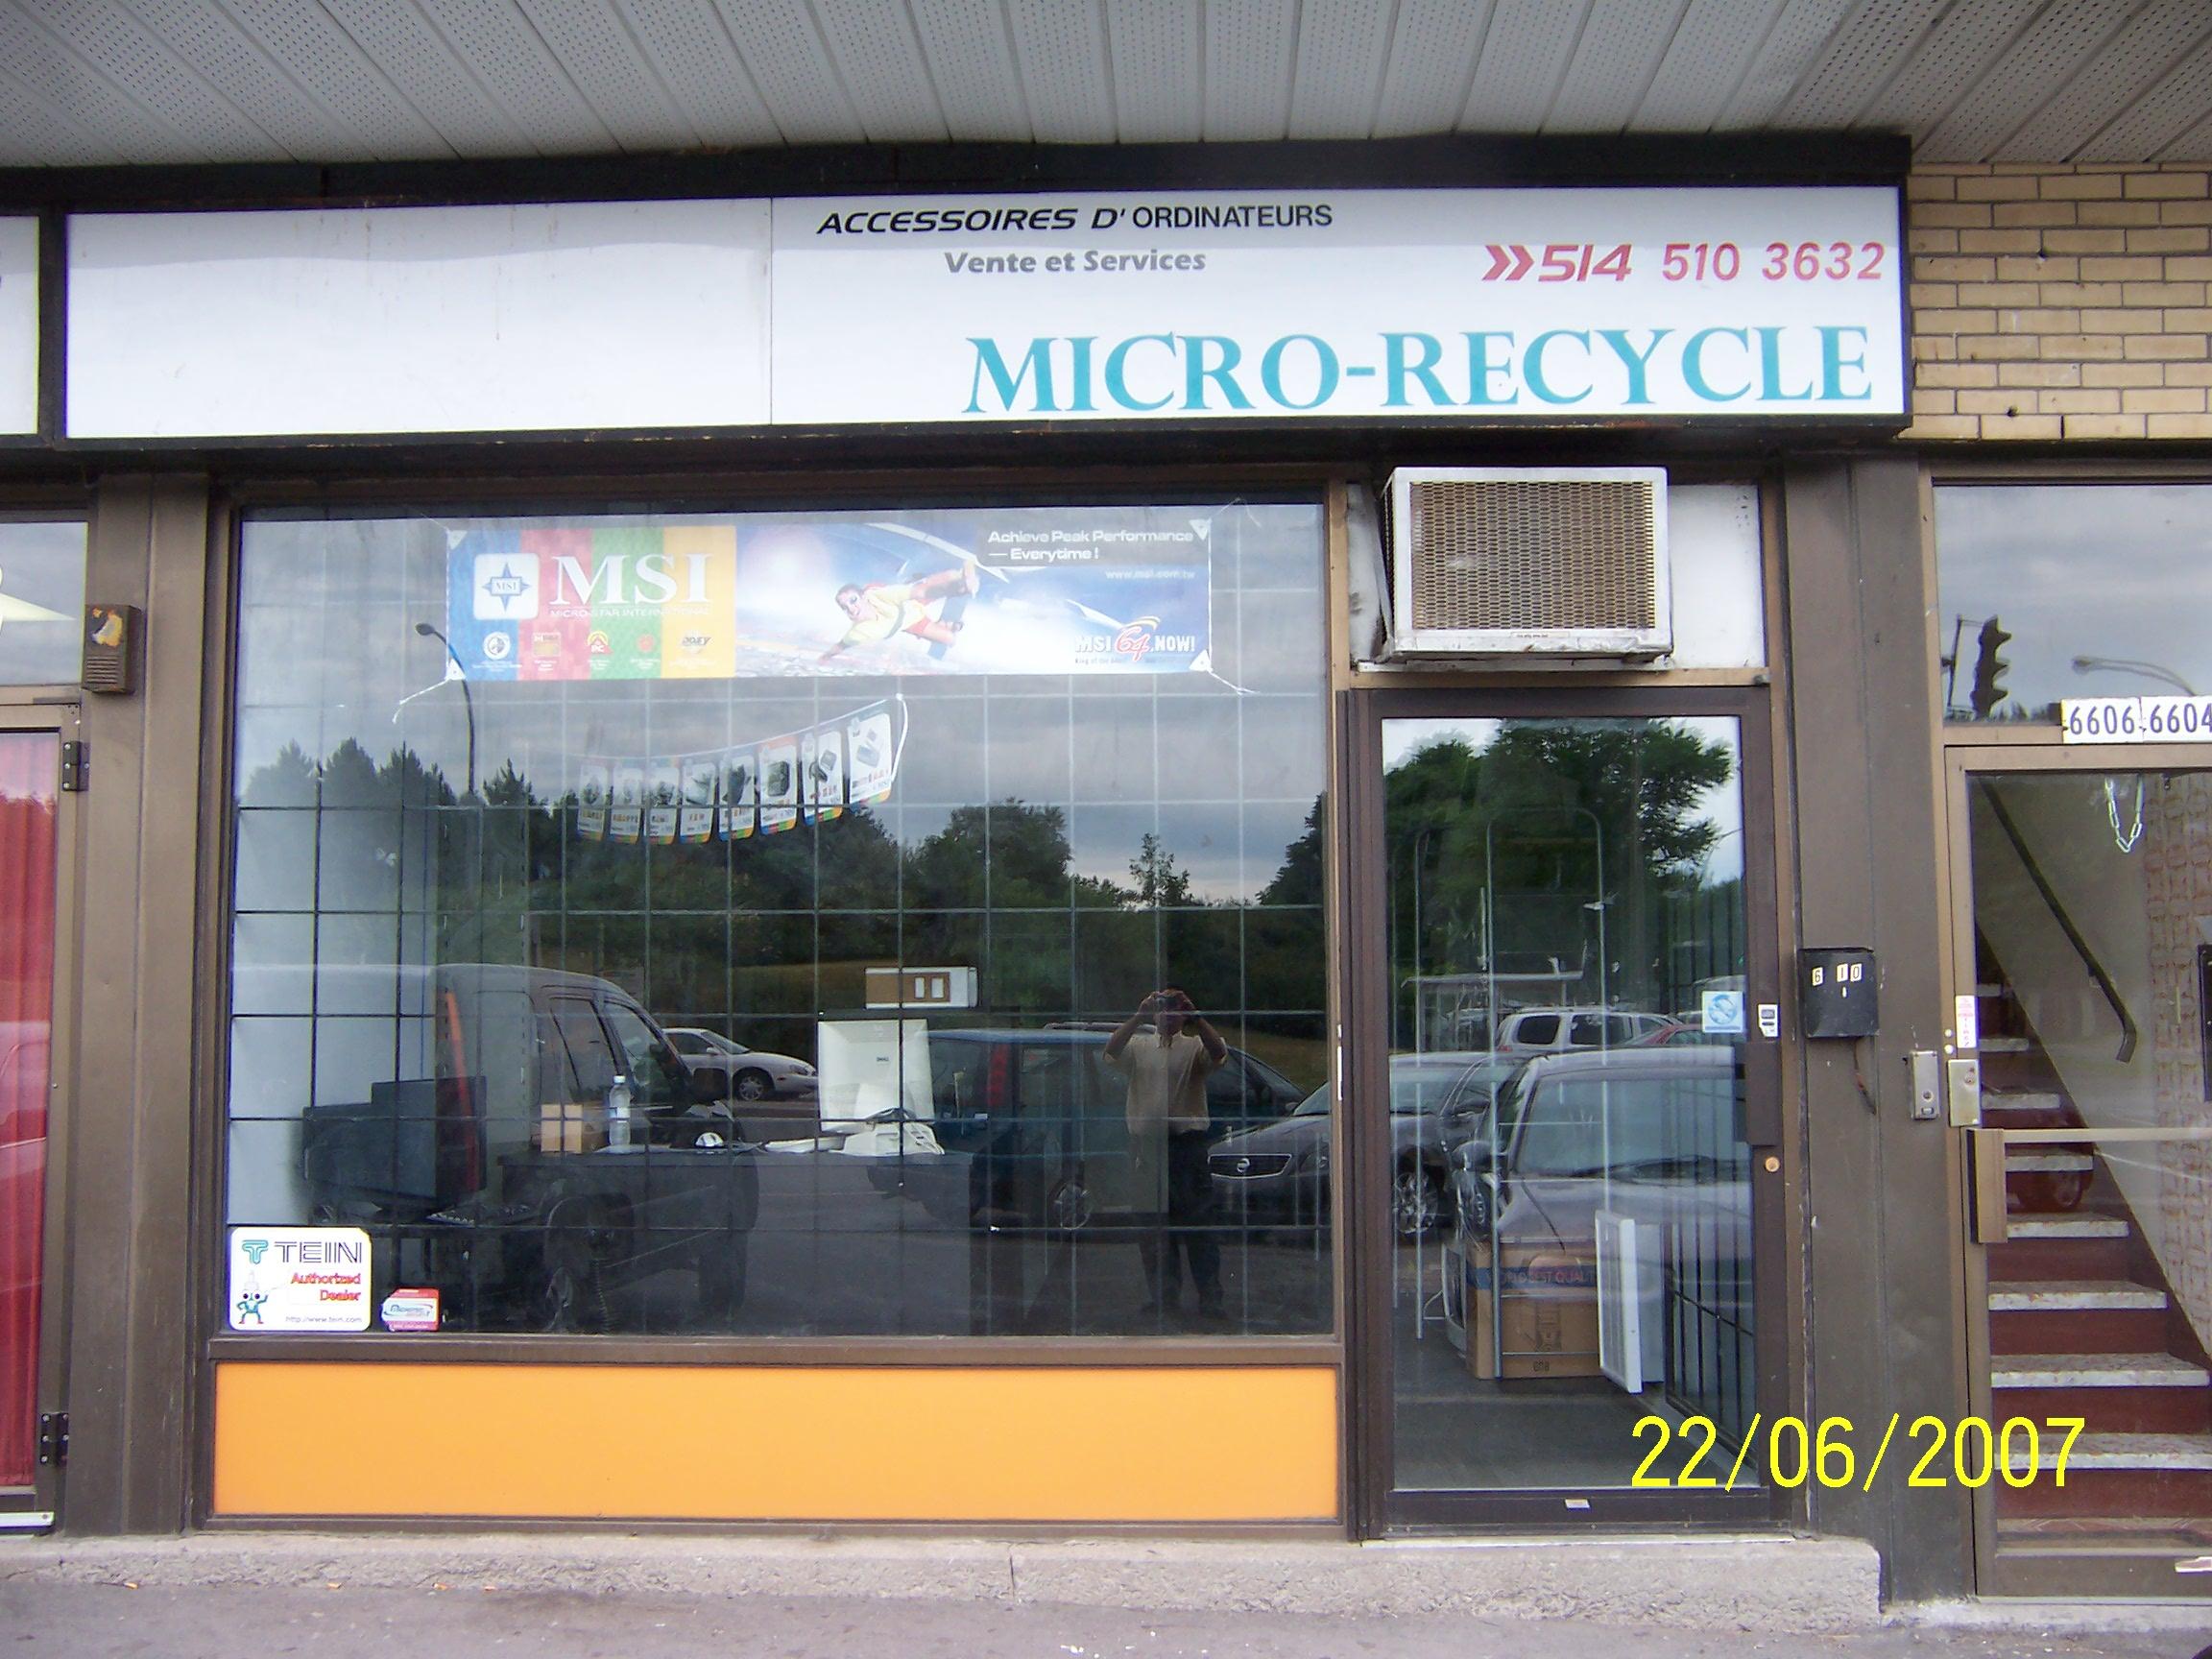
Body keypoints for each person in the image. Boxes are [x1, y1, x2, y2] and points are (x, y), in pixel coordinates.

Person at [1102, 987, 1228, 1320]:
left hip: (1186, 1147)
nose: (1168, 1015)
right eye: (1162, 1008)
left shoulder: (1194, 1047)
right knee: (1153, 1227)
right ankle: (1163, 1297)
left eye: (1175, 1009)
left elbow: (1218, 1053)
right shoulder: (1139, 1046)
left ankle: (1210, 1297)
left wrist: (1196, 1017)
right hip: (1147, 1148)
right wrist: (1138, 1017)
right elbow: (1111, 1051)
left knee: (1198, 1224)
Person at [819, 559, 979, 661]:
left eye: (853, 601)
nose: (851, 608)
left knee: (949, 583)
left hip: (909, 602)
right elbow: (841, 645)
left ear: (863, 597)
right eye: (845, 607)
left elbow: (920, 591)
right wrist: (825, 657)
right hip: (909, 622)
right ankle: (944, 624)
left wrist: (952, 587)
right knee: (950, 640)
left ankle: (963, 571)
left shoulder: (881, 596)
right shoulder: (857, 633)